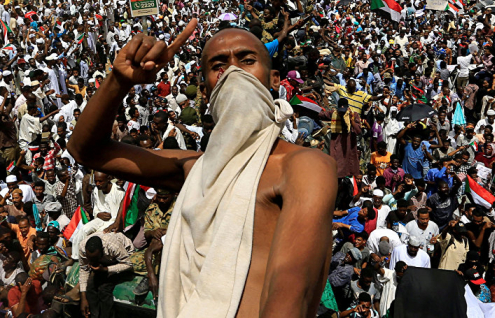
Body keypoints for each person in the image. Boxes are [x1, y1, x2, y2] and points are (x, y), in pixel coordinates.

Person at [68, 26, 337, 317]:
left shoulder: (303, 166)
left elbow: (290, 294)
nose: (233, 73)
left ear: (274, 81)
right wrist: (119, 81)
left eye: (247, 61)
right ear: (206, 92)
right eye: (219, 65)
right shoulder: (196, 169)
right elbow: (87, 150)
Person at [78, 233, 135, 318]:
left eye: (95, 259)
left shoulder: (113, 246)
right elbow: (83, 269)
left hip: (123, 258)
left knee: (104, 288)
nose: (92, 262)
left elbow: (128, 264)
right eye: (90, 259)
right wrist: (83, 298)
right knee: (90, 287)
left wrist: (105, 269)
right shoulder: (82, 248)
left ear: (102, 251)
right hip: (105, 261)